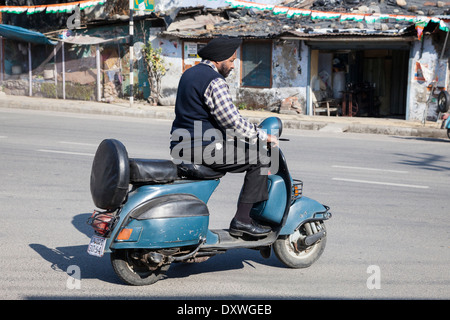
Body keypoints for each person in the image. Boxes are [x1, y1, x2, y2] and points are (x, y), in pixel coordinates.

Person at [170, 37, 278, 237]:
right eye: (231, 61)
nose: (233, 66)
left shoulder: (189, 73)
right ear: (218, 61)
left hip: (181, 144)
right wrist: (260, 135)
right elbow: (231, 121)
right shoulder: (214, 81)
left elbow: (207, 116)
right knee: (262, 158)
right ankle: (243, 221)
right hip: (202, 146)